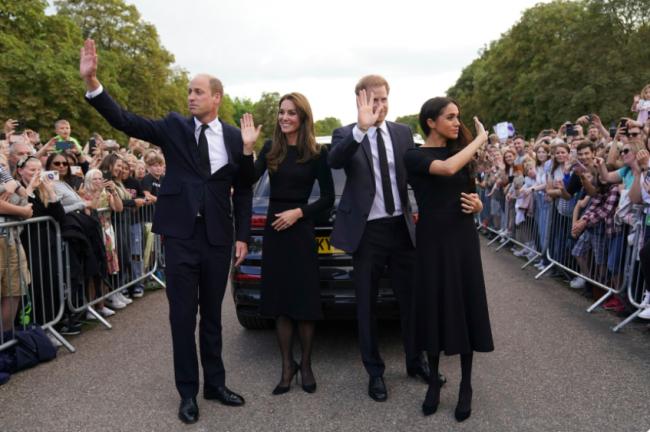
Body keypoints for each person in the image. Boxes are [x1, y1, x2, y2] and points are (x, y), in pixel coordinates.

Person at [80, 38, 256, 425]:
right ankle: (188, 393)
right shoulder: (174, 126)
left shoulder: (232, 137)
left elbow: (244, 189)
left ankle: (216, 384)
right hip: (180, 237)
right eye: (189, 91)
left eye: (198, 92)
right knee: (182, 317)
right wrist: (93, 84)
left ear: (216, 97)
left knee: (213, 316)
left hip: (217, 237)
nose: (190, 96)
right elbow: (126, 121)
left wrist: (242, 234)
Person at [328, 75, 441, 403]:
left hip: (401, 228)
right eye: (373, 100)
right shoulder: (345, 134)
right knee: (367, 305)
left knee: (411, 301)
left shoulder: (402, 132)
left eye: (383, 99)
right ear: (360, 101)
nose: (379, 105)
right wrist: (361, 129)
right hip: (368, 233)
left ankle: (415, 361)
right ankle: (375, 372)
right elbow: (335, 160)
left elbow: (420, 174)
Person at [404, 97, 493, 422]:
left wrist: (478, 206)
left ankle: (466, 386)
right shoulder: (414, 155)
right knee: (434, 307)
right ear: (431, 121)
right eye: (450, 117)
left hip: (462, 238)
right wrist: (481, 139)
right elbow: (447, 169)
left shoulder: (461, 153)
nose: (457, 122)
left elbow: (469, 191)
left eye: (458, 117)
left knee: (465, 305)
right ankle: (433, 383)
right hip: (432, 240)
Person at [252, 93, 334, 395]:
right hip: (275, 231)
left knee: (304, 302)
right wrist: (247, 148)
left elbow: (327, 197)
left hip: (300, 230)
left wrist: (299, 213)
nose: (284, 117)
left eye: (291, 113)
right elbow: (246, 178)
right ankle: (287, 366)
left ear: (303, 117)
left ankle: (307, 365)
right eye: (281, 112)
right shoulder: (270, 148)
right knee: (280, 303)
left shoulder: (317, 152)